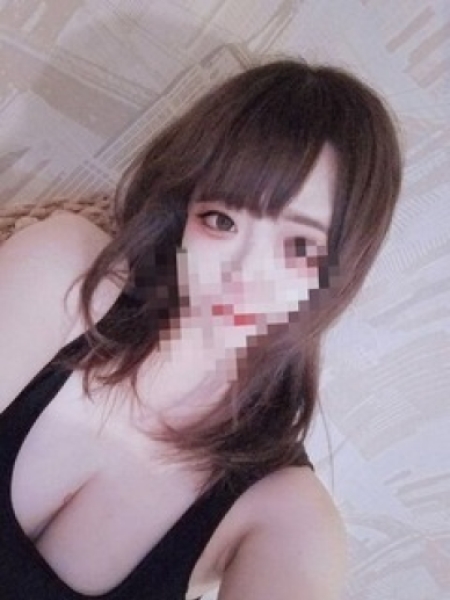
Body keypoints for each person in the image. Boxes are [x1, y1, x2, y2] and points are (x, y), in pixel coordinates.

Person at [0, 58, 402, 600]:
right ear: (182, 213)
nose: (243, 274)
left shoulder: (287, 517)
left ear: (342, 268)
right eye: (222, 220)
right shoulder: (68, 272)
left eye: (298, 246)